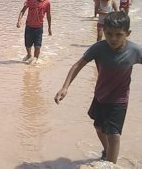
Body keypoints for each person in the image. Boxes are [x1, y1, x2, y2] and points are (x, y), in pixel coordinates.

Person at [54, 12, 142, 164]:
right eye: (109, 34)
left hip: (119, 100)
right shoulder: (98, 48)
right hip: (100, 95)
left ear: (127, 33)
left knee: (114, 134)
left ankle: (111, 165)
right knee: (99, 127)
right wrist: (65, 87)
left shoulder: (135, 50)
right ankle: (107, 152)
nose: (113, 39)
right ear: (103, 31)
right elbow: (78, 65)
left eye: (118, 35)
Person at [16, 0, 52, 65]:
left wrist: (49, 27)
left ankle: (35, 60)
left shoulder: (47, 3)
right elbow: (22, 11)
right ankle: (29, 55)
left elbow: (48, 15)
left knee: (37, 46)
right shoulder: (30, 0)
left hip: (39, 27)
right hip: (29, 26)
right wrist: (19, 21)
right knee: (28, 45)